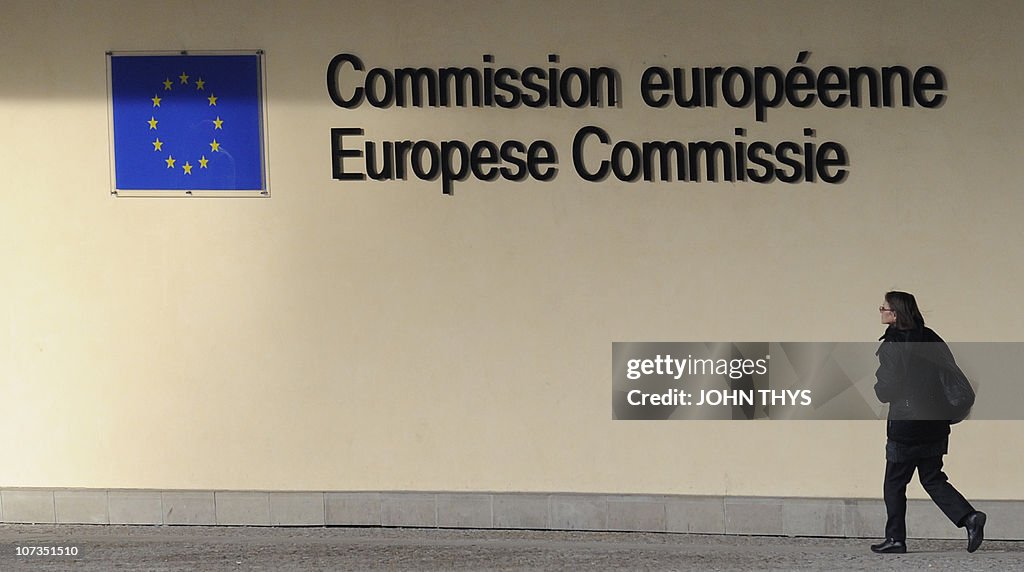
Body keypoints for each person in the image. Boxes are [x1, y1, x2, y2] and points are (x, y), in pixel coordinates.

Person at [870, 291, 986, 554]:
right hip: (935, 422)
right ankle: (969, 518)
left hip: (907, 425)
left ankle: (896, 539)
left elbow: (887, 388)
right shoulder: (931, 337)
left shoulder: (893, 345)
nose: (881, 311)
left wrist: (880, 389)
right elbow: (949, 372)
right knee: (932, 477)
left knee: (894, 483)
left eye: (884, 307)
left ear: (896, 313)